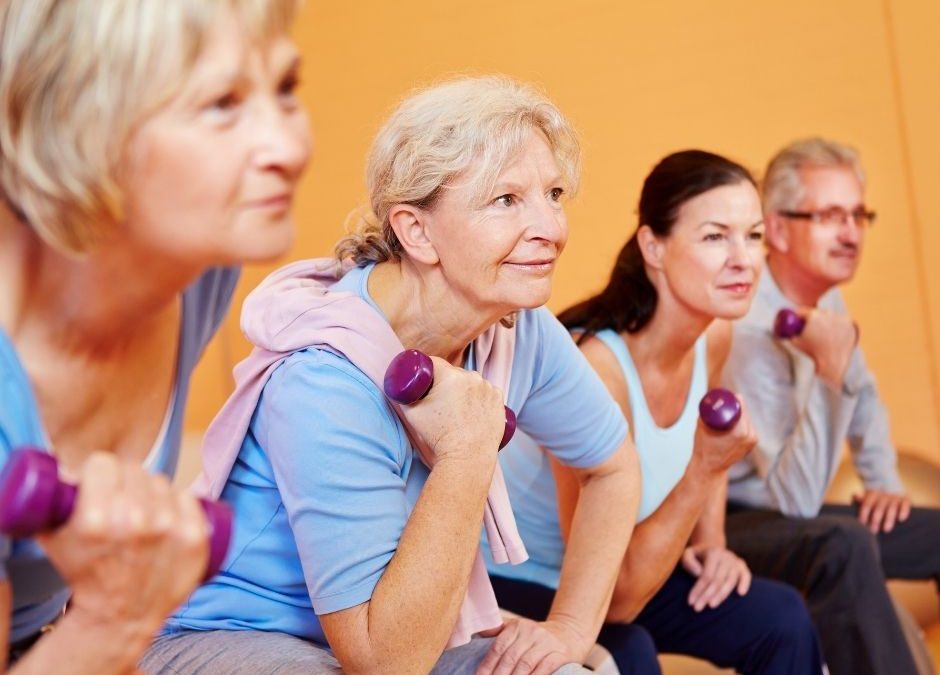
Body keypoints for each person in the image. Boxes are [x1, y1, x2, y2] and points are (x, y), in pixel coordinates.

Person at [141, 75, 641, 675]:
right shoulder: (322, 379)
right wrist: (465, 450)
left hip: (396, 627)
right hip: (227, 629)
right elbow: (385, 664)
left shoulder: (517, 327)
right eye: (507, 200)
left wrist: (568, 629)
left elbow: (611, 465)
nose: (551, 229)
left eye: (554, 194)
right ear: (416, 231)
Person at [0, 0, 311, 671]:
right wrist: (117, 614)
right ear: (84, 128)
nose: (289, 148)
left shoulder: (197, 264)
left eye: (285, 89)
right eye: (223, 103)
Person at [488, 150, 824, 674]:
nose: (744, 258)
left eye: (754, 235)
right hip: (530, 582)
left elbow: (710, 428)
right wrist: (705, 468)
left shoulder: (714, 332)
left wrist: (712, 543)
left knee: (780, 617)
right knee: (631, 655)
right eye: (716, 236)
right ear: (654, 247)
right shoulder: (598, 368)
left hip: (624, 563)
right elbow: (617, 598)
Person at [722, 137, 940, 675]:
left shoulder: (824, 297)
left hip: (796, 510)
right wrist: (827, 369)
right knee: (843, 542)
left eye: (859, 214)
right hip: (735, 521)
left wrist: (883, 479)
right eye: (830, 216)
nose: (851, 233)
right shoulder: (747, 328)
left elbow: (862, 396)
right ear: (776, 228)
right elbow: (791, 500)